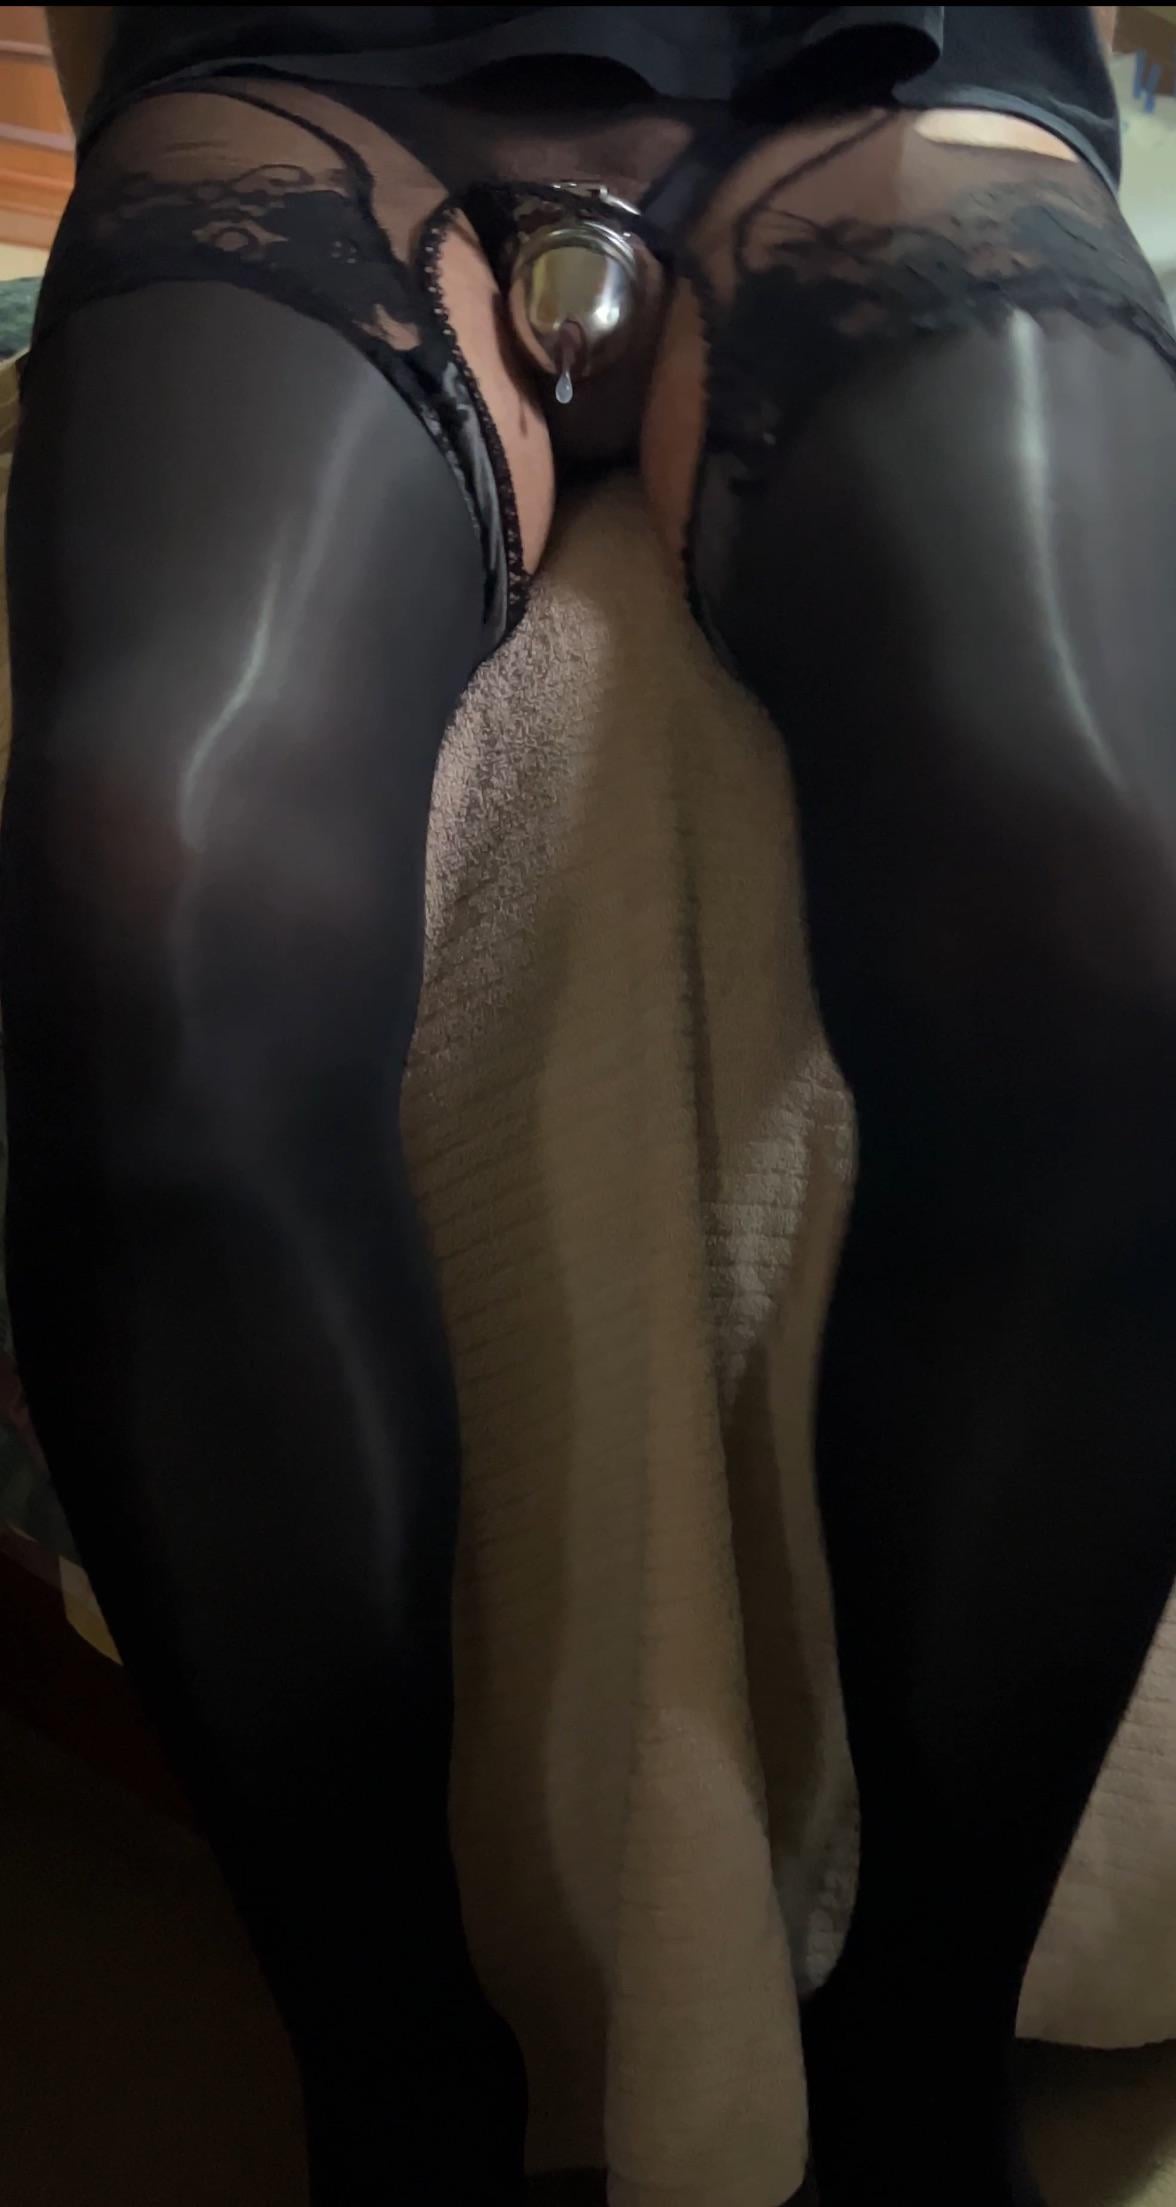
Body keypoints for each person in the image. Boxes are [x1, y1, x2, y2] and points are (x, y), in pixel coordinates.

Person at [3, 8, 1174, 2204]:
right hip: (312, 69)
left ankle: (918, 2066)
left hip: (894, 70)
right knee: (148, 902)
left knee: (1111, 916)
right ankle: (391, 2086)